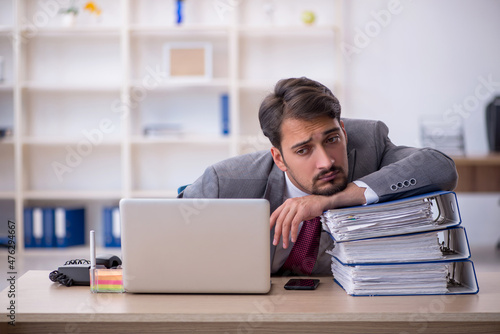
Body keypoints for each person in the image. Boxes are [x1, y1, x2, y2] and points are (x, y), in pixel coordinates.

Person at [179, 77, 458, 275]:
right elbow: (164, 237)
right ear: (279, 158)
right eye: (303, 150)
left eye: (332, 139)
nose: (326, 162)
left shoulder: (369, 143)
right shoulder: (226, 182)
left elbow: (440, 167)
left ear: (344, 133)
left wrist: (333, 199)